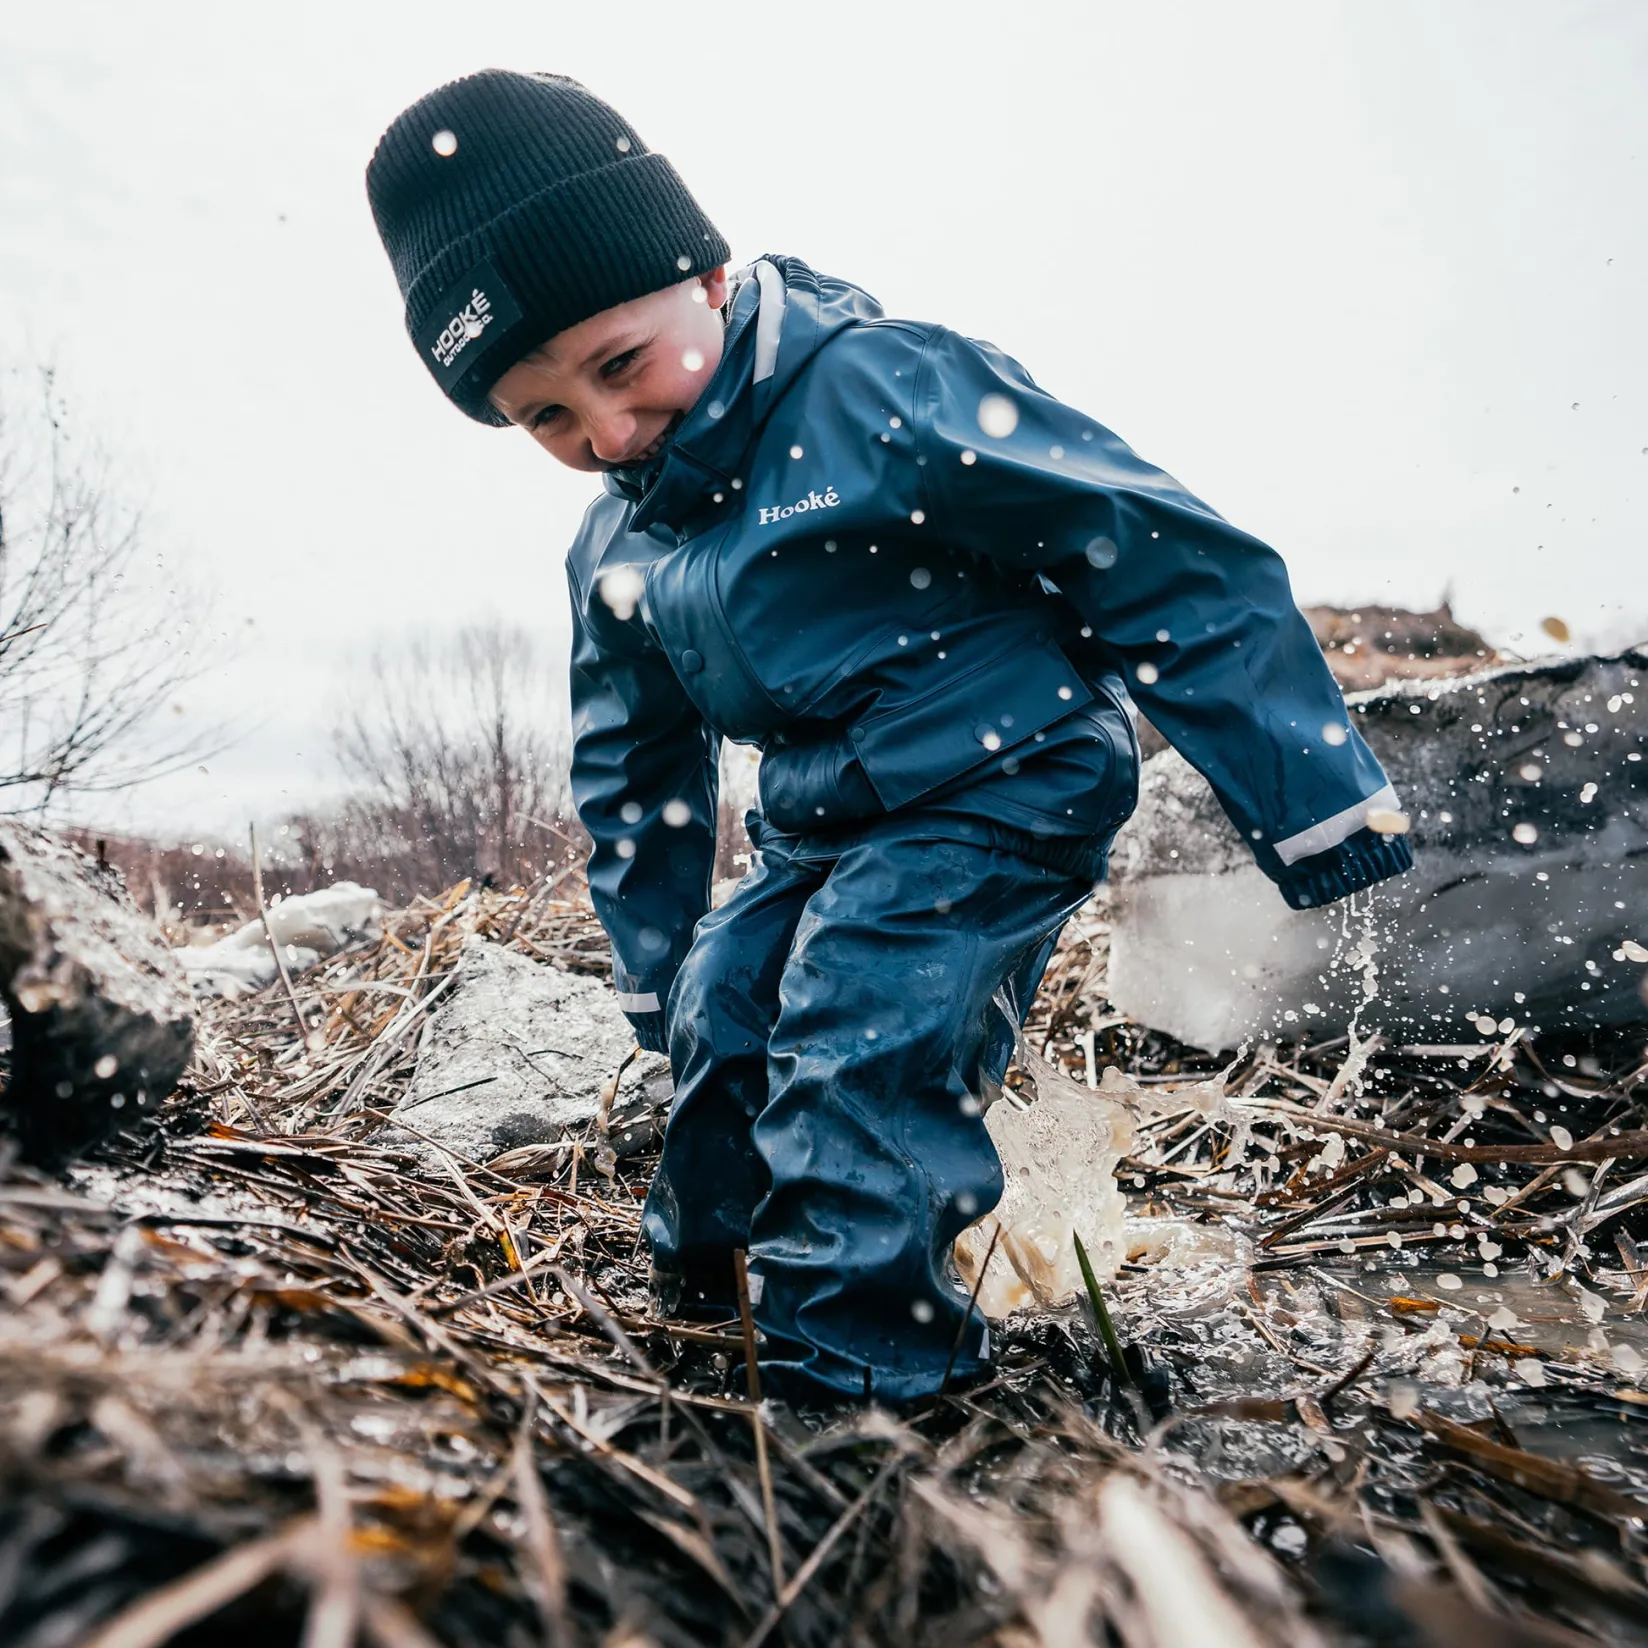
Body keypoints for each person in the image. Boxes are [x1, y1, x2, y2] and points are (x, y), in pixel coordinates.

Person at [366, 69, 1413, 1405]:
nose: (609, 430)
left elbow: (1159, 554)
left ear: (708, 277)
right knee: (724, 1023)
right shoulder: (619, 541)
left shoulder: (882, 390)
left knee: (856, 1043)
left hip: (1002, 783)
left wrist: (1315, 801)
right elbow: (635, 771)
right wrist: (653, 968)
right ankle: (715, 1324)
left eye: (621, 367)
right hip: (825, 825)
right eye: (547, 419)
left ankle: (860, 1393)